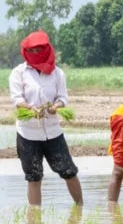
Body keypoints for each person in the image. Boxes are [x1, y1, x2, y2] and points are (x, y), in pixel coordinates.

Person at [8, 30, 83, 205]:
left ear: (47, 49)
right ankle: (35, 221)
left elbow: (63, 97)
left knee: (69, 171)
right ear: (26, 51)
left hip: (53, 132)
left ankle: (80, 209)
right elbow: (17, 99)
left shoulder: (57, 73)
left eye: (39, 50)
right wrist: (30, 108)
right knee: (34, 177)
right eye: (31, 50)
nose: (35, 54)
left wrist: (56, 106)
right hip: (28, 134)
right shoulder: (18, 73)